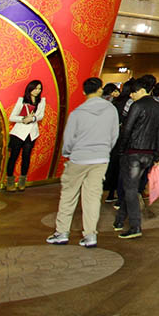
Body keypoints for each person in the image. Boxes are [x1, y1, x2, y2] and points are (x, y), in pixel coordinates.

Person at [45, 77, 118, 248]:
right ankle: (90, 235)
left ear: (84, 92)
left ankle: (62, 233)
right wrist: (104, 150)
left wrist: (67, 153)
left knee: (69, 195)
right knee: (92, 197)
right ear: (100, 90)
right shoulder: (111, 110)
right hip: (101, 158)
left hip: (79, 158)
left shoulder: (77, 113)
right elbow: (114, 135)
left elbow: (69, 139)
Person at [114, 75, 159, 239]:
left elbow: (127, 129)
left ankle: (135, 225)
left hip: (134, 152)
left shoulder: (137, 106)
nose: (131, 95)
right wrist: (157, 155)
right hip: (149, 154)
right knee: (132, 186)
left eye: (133, 92)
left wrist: (121, 150)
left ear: (141, 91)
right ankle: (119, 220)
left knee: (129, 188)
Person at [5, 79, 46, 192]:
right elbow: (12, 117)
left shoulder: (41, 102)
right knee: (13, 157)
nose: (37, 91)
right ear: (30, 88)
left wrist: (32, 118)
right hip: (19, 133)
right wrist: (23, 119)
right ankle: (10, 182)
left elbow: (41, 115)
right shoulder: (21, 100)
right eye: (35, 88)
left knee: (26, 157)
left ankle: (22, 180)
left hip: (31, 134)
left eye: (39, 89)